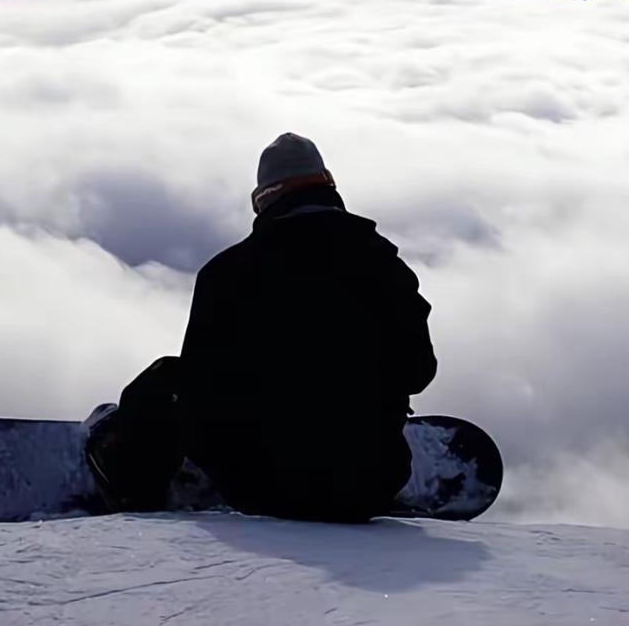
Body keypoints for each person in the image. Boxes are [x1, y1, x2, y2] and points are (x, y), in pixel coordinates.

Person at [85, 133, 437, 521]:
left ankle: (130, 480)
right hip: (372, 485)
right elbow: (418, 371)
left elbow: (202, 386)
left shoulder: (227, 274)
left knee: (170, 377)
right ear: (328, 185)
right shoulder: (386, 267)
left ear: (263, 199)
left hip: (261, 487)